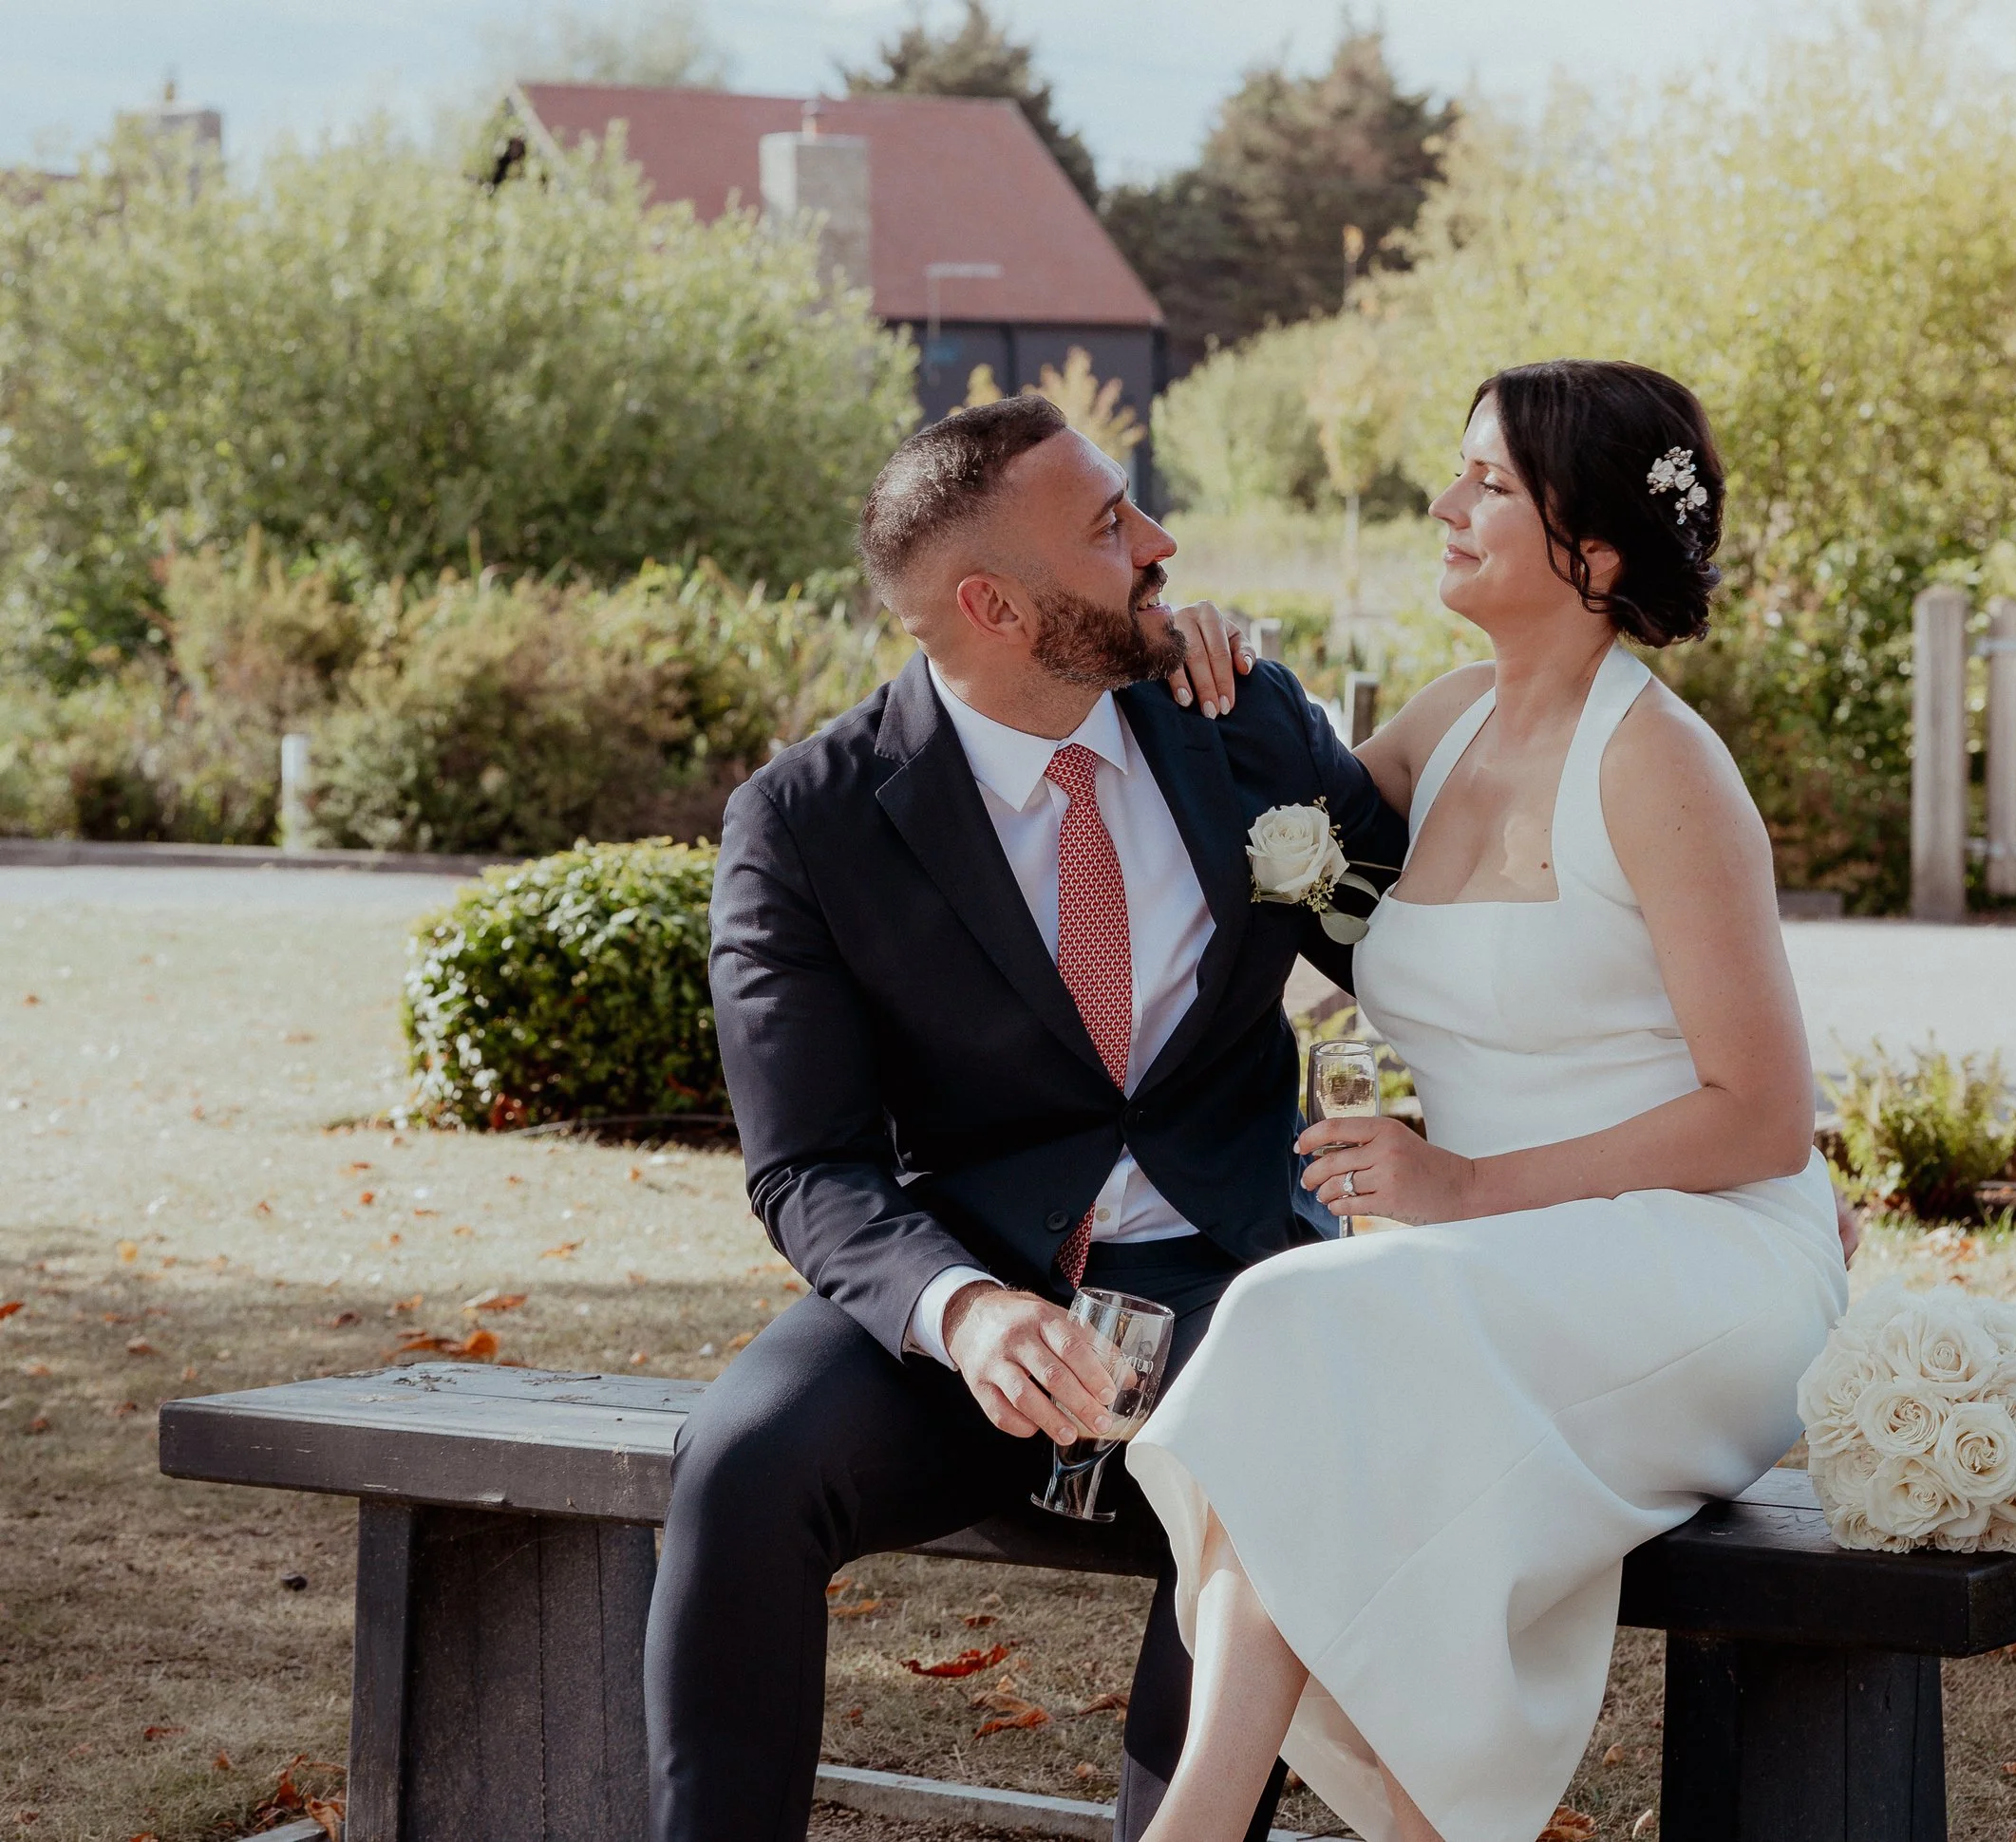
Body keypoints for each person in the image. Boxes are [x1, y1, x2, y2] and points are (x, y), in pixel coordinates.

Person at [645, 393, 1407, 1841]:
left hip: (1233, 1277)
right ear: (992, 606)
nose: (1160, 542)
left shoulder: (1239, 718)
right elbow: (808, 1169)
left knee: (1265, 1469)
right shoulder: (804, 822)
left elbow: (1429, 941)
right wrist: (965, 1312)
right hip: (967, 1288)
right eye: (1111, 528)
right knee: (742, 1462)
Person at [1124, 359, 1853, 1842]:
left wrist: (1460, 1189)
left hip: (1700, 1259)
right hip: (1480, 1277)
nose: (1445, 504)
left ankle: (1200, 1824)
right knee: (1333, 1382)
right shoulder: (1446, 724)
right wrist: (1200, 653)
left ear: (1597, 554)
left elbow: (1763, 1118)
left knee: (1308, 1330)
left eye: (1491, 485)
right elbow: (1277, 798)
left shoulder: (1663, 768)